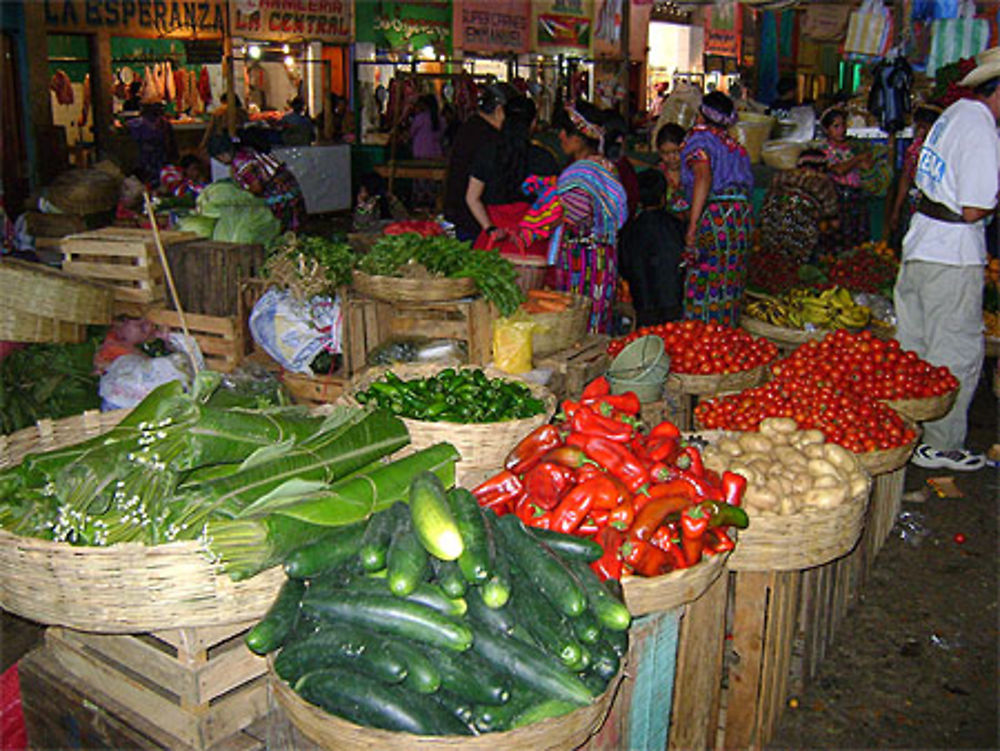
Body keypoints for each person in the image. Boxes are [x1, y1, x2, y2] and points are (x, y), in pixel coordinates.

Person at [894, 49, 1000, 471]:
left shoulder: (954, 115)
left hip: (922, 244)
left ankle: (909, 432)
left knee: (915, 349)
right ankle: (941, 444)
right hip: (953, 256)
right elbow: (975, 208)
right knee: (954, 352)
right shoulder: (981, 130)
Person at [549, 101, 628, 333]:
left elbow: (576, 218)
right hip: (605, 256)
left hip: (581, 259)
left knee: (577, 320)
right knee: (598, 316)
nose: (561, 136)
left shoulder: (578, 174)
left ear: (580, 137)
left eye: (565, 132)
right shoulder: (607, 167)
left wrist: (542, 221)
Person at [680, 90, 754, 326]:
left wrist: (692, 227)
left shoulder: (700, 139)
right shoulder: (735, 146)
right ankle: (725, 340)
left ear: (701, 114)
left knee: (705, 280)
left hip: (717, 218)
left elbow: (703, 176)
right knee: (729, 283)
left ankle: (702, 341)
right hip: (740, 220)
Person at [465, 95, 559, 247]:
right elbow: (554, 206)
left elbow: (472, 198)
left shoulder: (487, 153)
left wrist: (490, 228)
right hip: (532, 241)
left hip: (495, 240)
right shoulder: (544, 157)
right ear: (533, 123)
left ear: (502, 115)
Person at [618, 169, 685, 327]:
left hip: (643, 302)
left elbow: (623, 265)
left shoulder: (630, 230)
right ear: (664, 197)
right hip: (672, 301)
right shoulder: (676, 226)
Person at [443, 83, 510, 241]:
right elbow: (473, 195)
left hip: (463, 213)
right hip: (474, 219)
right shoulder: (487, 137)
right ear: (499, 111)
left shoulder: (472, 127)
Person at [208, 131, 305, 232]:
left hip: (281, 197)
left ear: (224, 154)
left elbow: (257, 187)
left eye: (218, 158)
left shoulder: (241, 164)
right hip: (290, 189)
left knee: (285, 232)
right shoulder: (244, 151)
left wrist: (241, 198)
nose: (221, 162)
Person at [758, 148, 839, 266]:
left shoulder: (782, 175)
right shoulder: (822, 181)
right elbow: (833, 219)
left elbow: (766, 202)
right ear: (822, 167)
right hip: (800, 234)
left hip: (771, 227)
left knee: (774, 263)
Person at [820, 106, 874, 255]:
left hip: (856, 198)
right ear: (826, 129)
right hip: (838, 200)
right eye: (835, 126)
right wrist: (857, 160)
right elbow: (838, 170)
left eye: (843, 125)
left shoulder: (851, 148)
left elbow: (866, 166)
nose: (841, 130)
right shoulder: (824, 150)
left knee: (857, 241)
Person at [888, 104, 941, 246]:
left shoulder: (942, 150)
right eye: (920, 127)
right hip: (914, 204)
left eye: (926, 127)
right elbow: (905, 179)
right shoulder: (914, 150)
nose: (922, 131)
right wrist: (896, 210)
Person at [127, 102, 178, 187]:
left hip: (150, 157)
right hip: (158, 157)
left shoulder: (138, 123)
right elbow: (170, 144)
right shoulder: (164, 124)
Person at [410, 94, 445, 209]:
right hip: (435, 153)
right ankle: (432, 203)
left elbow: (411, 132)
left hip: (420, 152)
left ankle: (420, 204)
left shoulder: (420, 118)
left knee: (420, 179)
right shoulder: (440, 119)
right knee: (432, 180)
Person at [655, 123, 689, 215]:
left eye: (676, 152)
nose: (671, 158)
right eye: (665, 153)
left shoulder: (693, 173)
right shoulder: (657, 176)